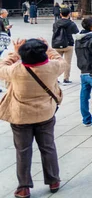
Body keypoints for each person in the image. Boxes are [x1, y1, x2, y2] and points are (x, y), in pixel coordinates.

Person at [0, 38, 67, 198]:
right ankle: (53, 180)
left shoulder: (15, 71)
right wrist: (49, 48)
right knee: (48, 147)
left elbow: (2, 66)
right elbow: (61, 61)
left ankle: (23, 187)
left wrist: (15, 53)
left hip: (21, 116)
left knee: (23, 151)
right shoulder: (52, 67)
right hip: (45, 114)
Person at [52, 7, 80, 84]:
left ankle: (55, 78)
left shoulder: (56, 23)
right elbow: (77, 33)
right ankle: (66, 78)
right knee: (67, 62)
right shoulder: (71, 23)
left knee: (57, 62)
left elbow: (54, 31)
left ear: (60, 14)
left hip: (57, 44)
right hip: (68, 44)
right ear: (69, 14)